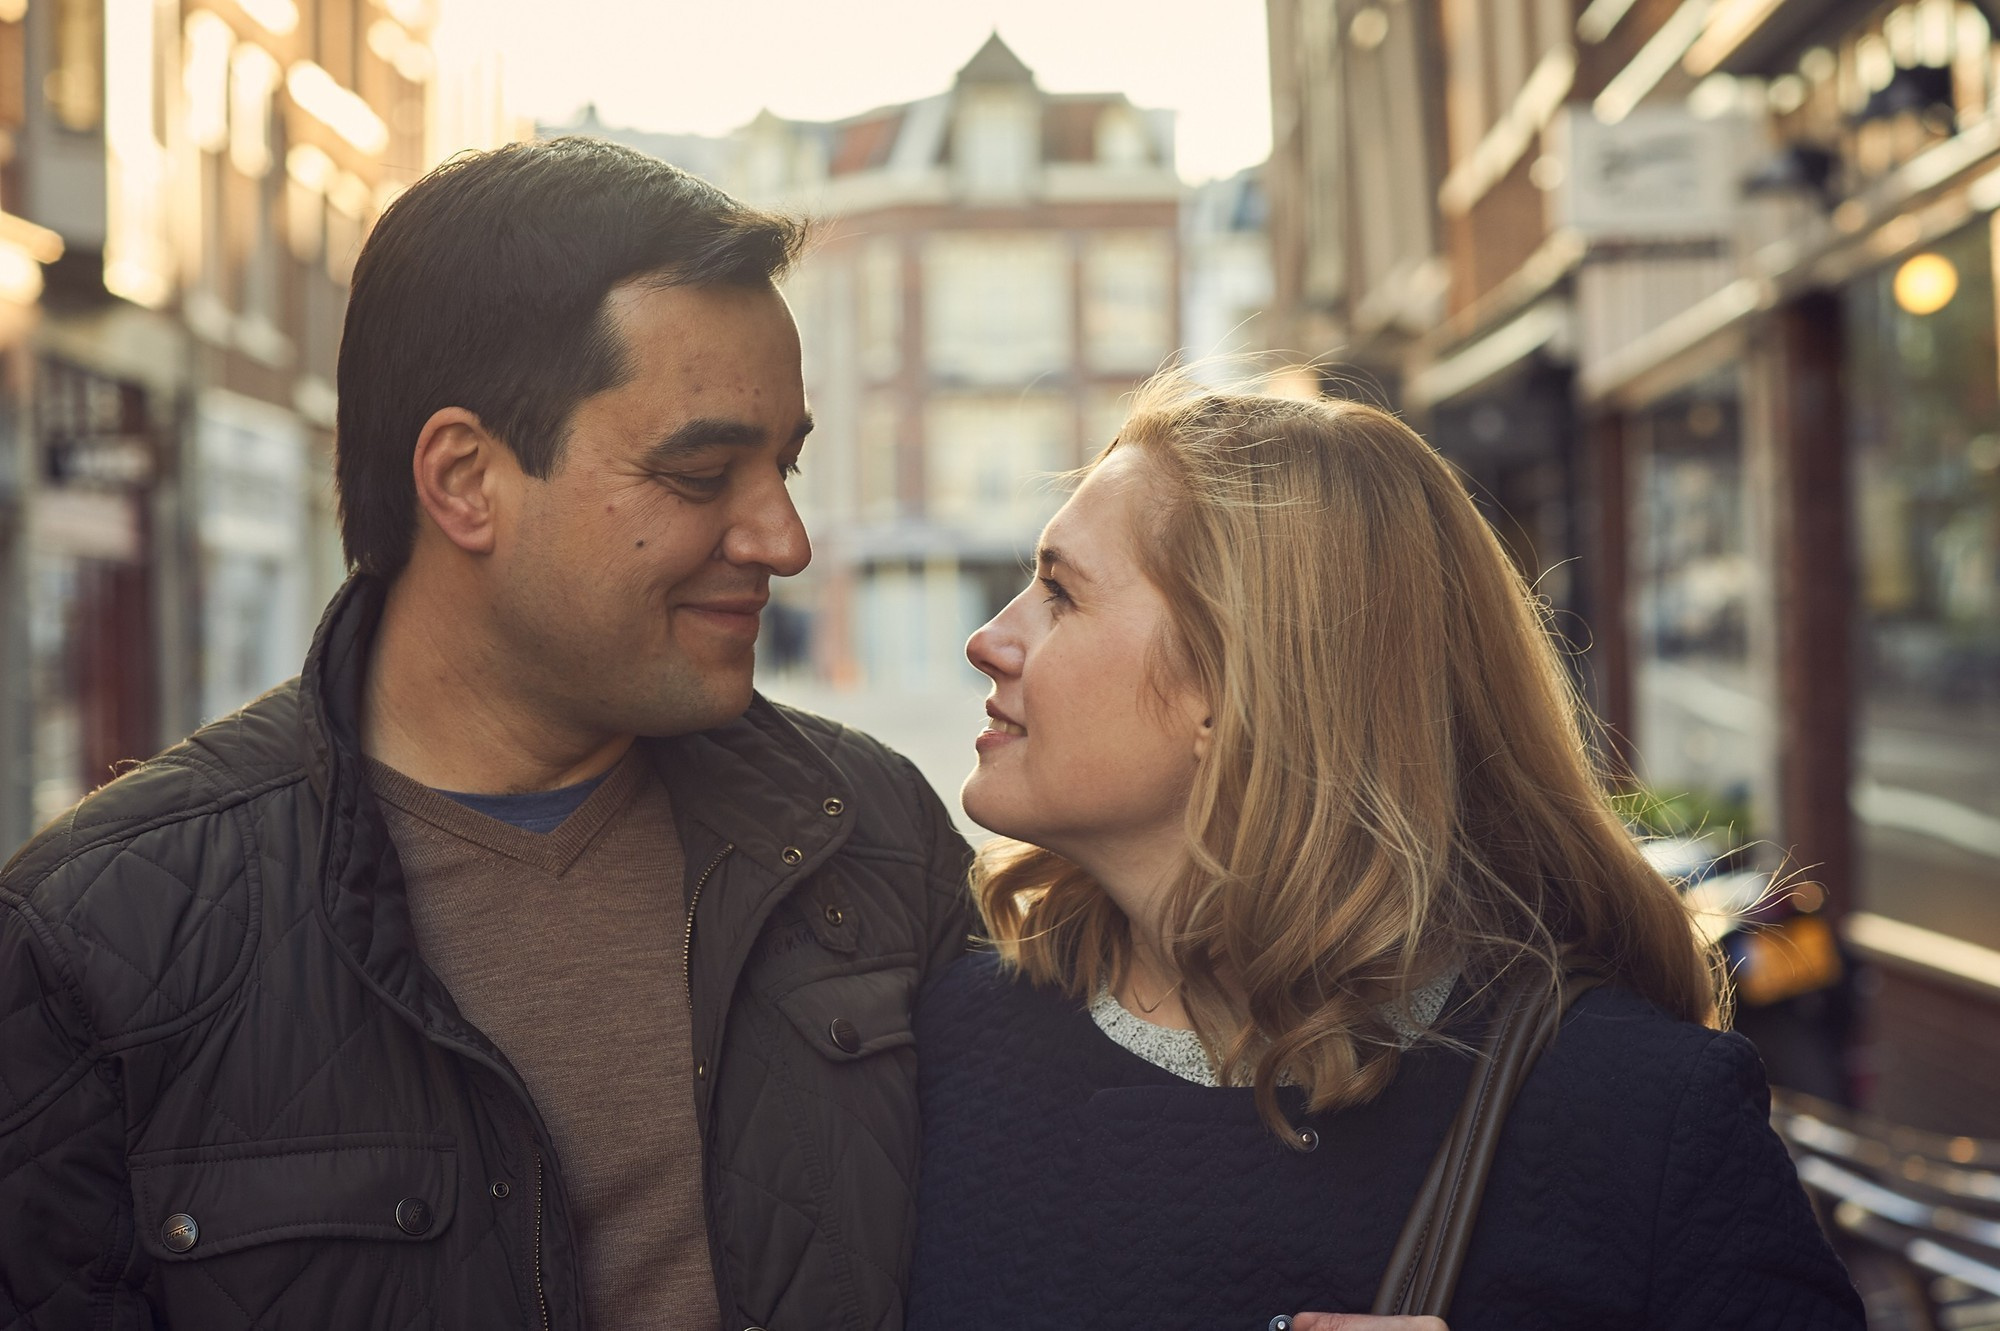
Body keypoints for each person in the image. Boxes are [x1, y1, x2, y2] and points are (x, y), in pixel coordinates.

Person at [0, 138, 974, 1330]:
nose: (784, 539)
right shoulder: (94, 940)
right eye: (702, 471)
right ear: (464, 479)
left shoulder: (873, 838)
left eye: (784, 466)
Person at [907, 377, 1867, 1330]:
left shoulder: (1631, 1110)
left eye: (1060, 592)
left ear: (1236, 683)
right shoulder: (939, 1048)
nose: (987, 640)